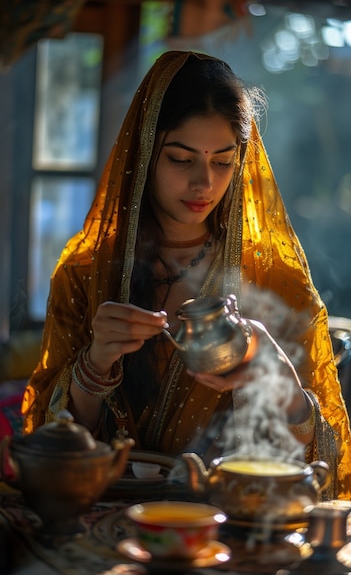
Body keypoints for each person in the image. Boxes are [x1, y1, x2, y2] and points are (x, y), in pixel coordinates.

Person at [21, 50, 351, 499]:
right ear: (145, 153)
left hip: (222, 531)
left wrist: (277, 377)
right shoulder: (84, 274)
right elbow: (46, 447)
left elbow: (317, 469)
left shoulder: (279, 283)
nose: (204, 184)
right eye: (181, 159)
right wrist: (94, 364)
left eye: (223, 161)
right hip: (100, 523)